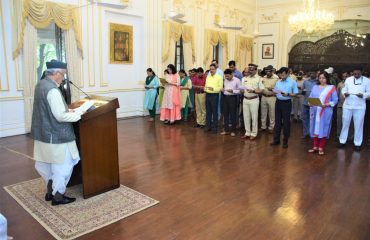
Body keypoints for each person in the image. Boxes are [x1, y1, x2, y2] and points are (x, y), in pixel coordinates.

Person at [31, 60, 83, 206]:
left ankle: (49, 191)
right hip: (57, 136)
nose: (63, 78)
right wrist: (79, 114)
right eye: (63, 74)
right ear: (55, 73)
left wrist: (68, 110)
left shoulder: (40, 85)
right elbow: (60, 116)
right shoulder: (53, 90)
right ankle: (58, 196)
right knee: (63, 166)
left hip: (43, 134)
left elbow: (47, 109)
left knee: (46, 164)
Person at [338, 66, 370, 151]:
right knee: (345, 123)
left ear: (362, 72)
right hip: (348, 105)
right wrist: (345, 93)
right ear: (352, 73)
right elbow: (343, 90)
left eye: (358, 73)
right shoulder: (348, 79)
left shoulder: (367, 80)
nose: (356, 75)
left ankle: (357, 143)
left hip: (360, 106)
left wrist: (363, 95)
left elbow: (369, 92)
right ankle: (342, 141)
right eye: (355, 73)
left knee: (359, 125)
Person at [308, 71, 338, 155]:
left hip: (325, 111)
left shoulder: (331, 87)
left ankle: (321, 147)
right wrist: (309, 102)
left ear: (327, 78)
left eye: (323, 78)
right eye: (320, 78)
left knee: (323, 128)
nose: (321, 80)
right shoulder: (315, 87)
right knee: (315, 128)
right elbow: (310, 97)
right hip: (315, 110)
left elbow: (335, 100)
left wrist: (327, 104)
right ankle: (315, 146)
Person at [270, 67, 299, 148]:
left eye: (283, 74)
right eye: (280, 74)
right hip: (278, 102)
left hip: (287, 103)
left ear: (287, 73)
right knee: (277, 122)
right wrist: (274, 91)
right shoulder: (278, 82)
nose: (281, 76)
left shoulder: (292, 82)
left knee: (286, 122)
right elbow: (275, 91)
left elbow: (296, 93)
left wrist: (288, 94)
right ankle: (276, 140)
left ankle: (285, 141)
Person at [241, 63, 264, 140]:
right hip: (245, 99)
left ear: (255, 70)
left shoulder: (259, 79)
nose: (250, 71)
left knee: (254, 117)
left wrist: (253, 90)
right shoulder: (244, 78)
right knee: (246, 117)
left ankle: (254, 133)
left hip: (254, 99)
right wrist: (239, 89)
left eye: (252, 70)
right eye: (249, 69)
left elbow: (261, 90)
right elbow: (241, 89)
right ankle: (247, 132)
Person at [220, 69, 241, 137]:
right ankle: (226, 130)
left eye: (228, 76)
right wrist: (222, 90)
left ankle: (233, 131)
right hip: (225, 97)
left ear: (232, 74)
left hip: (233, 98)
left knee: (233, 115)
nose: (226, 78)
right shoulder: (225, 80)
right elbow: (224, 88)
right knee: (225, 114)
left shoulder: (237, 80)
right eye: (225, 76)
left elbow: (239, 91)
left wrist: (233, 91)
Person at [204, 64, 223, 133]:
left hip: (215, 95)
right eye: (210, 69)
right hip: (208, 95)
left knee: (214, 112)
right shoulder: (208, 77)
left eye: (213, 69)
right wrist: (205, 89)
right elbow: (206, 85)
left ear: (216, 69)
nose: (211, 70)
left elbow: (220, 88)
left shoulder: (219, 77)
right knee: (208, 112)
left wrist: (213, 89)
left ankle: (215, 128)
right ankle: (208, 126)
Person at [260, 65, 278, 133]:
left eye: (269, 71)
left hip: (272, 97)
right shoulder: (263, 78)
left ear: (272, 71)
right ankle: (263, 126)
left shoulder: (276, 79)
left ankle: (271, 127)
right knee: (263, 113)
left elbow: (278, 90)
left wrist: (272, 89)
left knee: (272, 113)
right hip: (264, 97)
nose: (267, 73)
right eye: (266, 71)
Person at [336, 72, 353, 140]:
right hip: (340, 106)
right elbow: (337, 95)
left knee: (350, 121)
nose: (345, 77)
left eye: (346, 76)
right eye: (344, 76)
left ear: (349, 76)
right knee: (339, 122)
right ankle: (338, 135)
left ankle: (350, 136)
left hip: (350, 106)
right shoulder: (339, 84)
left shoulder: (352, 84)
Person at [301, 70, 318, 138]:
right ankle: (305, 133)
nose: (312, 74)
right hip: (305, 101)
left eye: (314, 73)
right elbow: (302, 92)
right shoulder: (305, 81)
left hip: (314, 102)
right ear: (309, 73)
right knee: (304, 118)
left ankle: (312, 134)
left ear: (316, 74)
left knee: (313, 119)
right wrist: (303, 91)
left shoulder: (318, 82)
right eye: (311, 73)